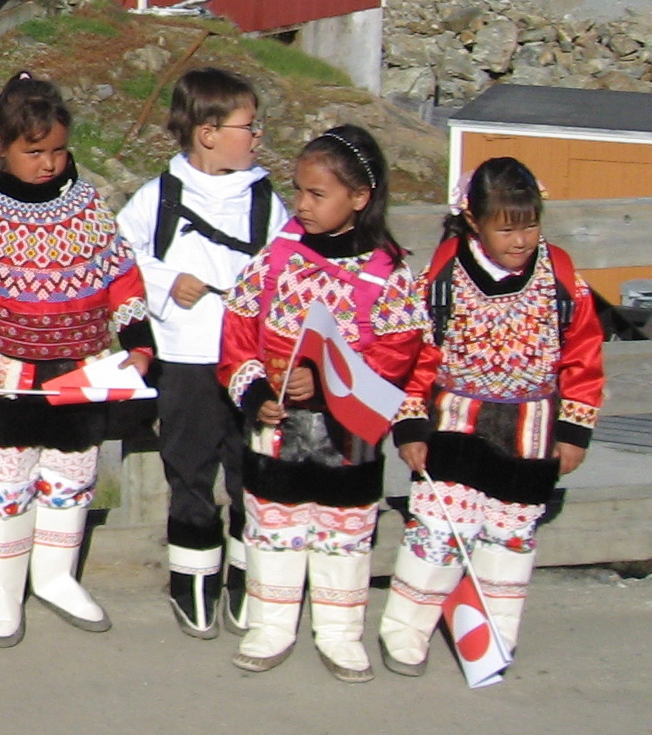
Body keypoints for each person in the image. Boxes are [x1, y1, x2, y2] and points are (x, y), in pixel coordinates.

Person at [0, 73, 151, 647]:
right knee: (7, 477)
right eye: (34, 152)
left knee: (72, 468)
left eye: (58, 150)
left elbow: (121, 279)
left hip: (81, 365)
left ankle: (56, 576)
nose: (49, 163)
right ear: (0, 148)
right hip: (7, 372)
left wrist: (137, 341)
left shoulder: (86, 207)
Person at [380, 157, 603, 678]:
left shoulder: (562, 276)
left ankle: (492, 638)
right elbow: (417, 358)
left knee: (510, 536)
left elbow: (583, 354)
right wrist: (411, 425)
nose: (521, 239)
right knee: (438, 528)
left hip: (531, 427)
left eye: (530, 225)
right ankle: (406, 629)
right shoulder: (442, 279)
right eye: (507, 227)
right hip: (457, 419)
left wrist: (574, 431)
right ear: (474, 222)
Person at [219, 126, 424, 682]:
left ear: (360, 197)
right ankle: (271, 622)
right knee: (274, 526)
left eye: (317, 195)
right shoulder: (276, 260)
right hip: (277, 425)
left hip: (348, 431)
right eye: (299, 192)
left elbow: (397, 356)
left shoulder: (389, 276)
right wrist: (256, 390)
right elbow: (238, 332)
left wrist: (328, 383)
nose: (302, 206)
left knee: (344, 530)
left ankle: (339, 631)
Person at [113, 69, 287, 638]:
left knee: (247, 467)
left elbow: (289, 268)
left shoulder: (266, 199)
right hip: (186, 356)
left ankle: (244, 575)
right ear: (208, 133)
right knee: (189, 467)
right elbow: (117, 255)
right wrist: (165, 283)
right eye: (247, 126)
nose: (256, 137)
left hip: (251, 360)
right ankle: (192, 578)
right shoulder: (159, 197)